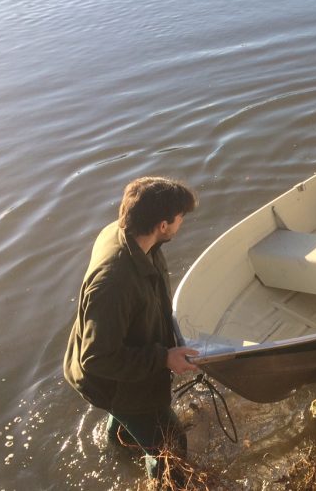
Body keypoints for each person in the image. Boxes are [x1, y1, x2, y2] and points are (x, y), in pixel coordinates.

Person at [63, 177, 200, 482]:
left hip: (119, 371)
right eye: (179, 218)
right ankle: (165, 482)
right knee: (172, 445)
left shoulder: (129, 234)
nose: (181, 224)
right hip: (108, 379)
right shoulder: (114, 282)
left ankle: (118, 445)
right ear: (163, 225)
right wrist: (164, 358)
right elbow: (97, 358)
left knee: (130, 419)